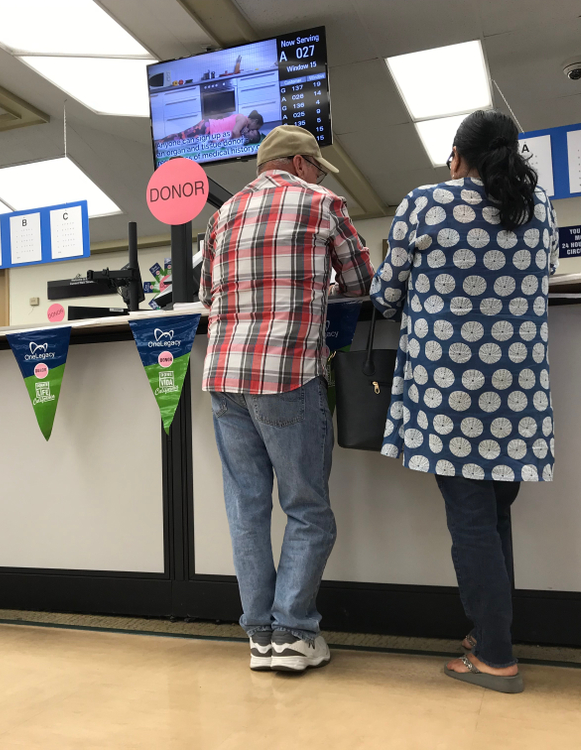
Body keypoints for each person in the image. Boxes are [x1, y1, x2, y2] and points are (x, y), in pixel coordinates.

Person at [370, 109, 559, 694]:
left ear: (457, 154)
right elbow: (547, 271)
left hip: (449, 391)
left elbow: (385, 293)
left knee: (471, 522)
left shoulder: (426, 204)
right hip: (519, 391)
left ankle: (497, 656)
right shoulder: (540, 209)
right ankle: (489, 632)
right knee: (495, 514)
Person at [200, 125, 373, 672]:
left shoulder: (220, 216)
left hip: (225, 375)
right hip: (286, 371)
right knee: (307, 510)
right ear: (299, 164)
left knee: (246, 510)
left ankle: (260, 637)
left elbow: (207, 296)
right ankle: (294, 633)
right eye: (318, 165)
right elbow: (360, 282)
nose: (321, 175)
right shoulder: (322, 203)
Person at [158, 110, 263, 145]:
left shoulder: (242, 121)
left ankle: (162, 142)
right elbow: (235, 131)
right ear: (255, 121)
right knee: (182, 137)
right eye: (256, 128)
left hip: (208, 129)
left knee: (184, 138)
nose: (254, 130)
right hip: (208, 128)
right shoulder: (243, 120)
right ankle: (161, 143)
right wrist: (238, 146)